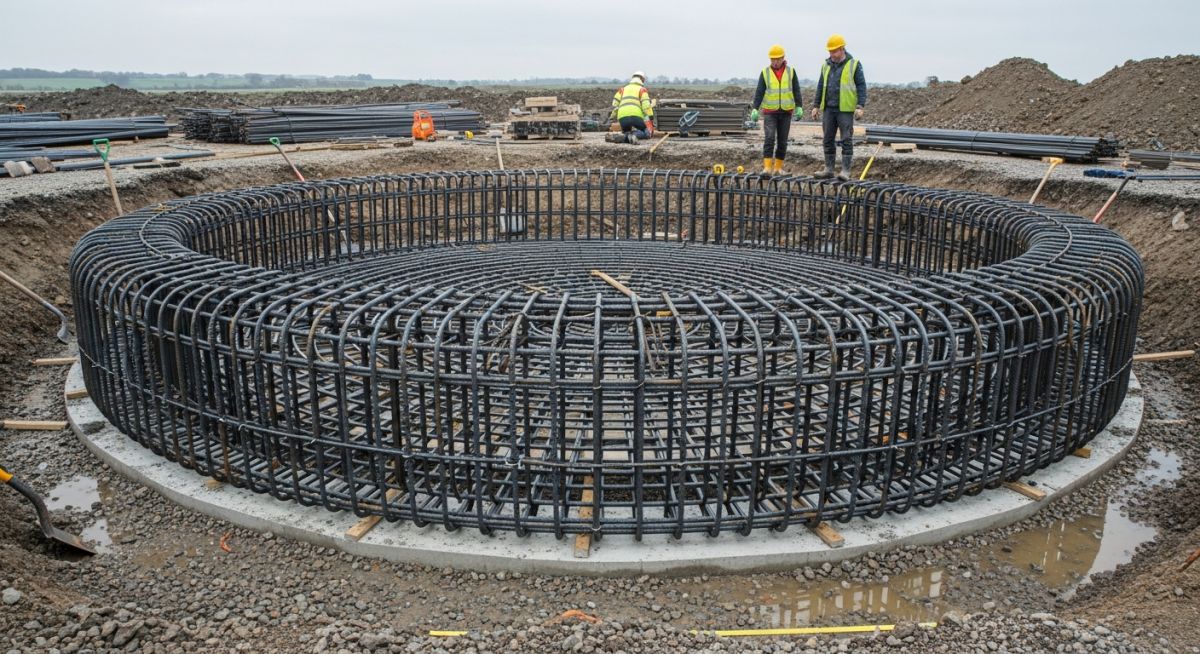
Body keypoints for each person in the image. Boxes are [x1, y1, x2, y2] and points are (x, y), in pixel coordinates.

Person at [811, 34, 866, 180]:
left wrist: (860, 106)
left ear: (842, 49)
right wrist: (816, 105)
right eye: (830, 51)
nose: (832, 54)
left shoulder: (854, 65)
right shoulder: (826, 65)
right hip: (829, 108)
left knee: (846, 139)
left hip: (845, 109)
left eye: (834, 51)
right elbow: (820, 86)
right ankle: (829, 169)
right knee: (827, 139)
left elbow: (861, 86)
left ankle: (845, 171)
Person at [751, 44, 803, 175]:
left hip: (786, 112)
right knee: (769, 138)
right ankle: (767, 167)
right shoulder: (765, 73)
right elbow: (759, 92)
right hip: (770, 112)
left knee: (782, 141)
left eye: (777, 59)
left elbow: (796, 90)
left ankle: (778, 168)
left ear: (783, 58)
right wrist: (755, 108)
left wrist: (799, 106)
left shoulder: (791, 72)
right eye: (772, 59)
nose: (775, 62)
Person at [608, 71, 654, 144]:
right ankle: (635, 135)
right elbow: (646, 106)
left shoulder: (622, 89)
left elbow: (615, 105)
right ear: (642, 79)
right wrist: (651, 117)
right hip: (636, 116)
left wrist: (611, 117)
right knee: (646, 133)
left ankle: (622, 137)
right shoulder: (642, 90)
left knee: (626, 132)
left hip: (622, 116)